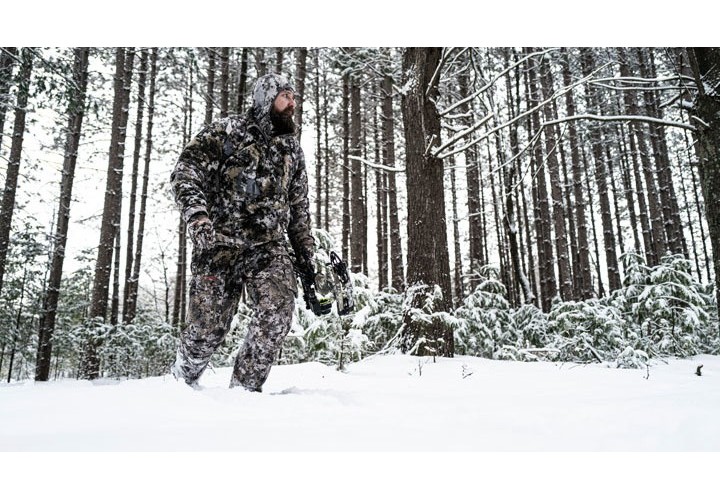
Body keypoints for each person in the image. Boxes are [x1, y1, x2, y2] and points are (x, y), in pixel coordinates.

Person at [169, 73, 321, 392]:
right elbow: (186, 172)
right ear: (266, 99)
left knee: (277, 311)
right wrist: (198, 217)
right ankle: (181, 383)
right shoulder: (226, 132)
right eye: (285, 96)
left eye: (294, 97)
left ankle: (244, 393)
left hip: (268, 247)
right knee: (207, 330)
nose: (292, 103)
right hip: (218, 244)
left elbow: (299, 206)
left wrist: (306, 256)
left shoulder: (292, 150)